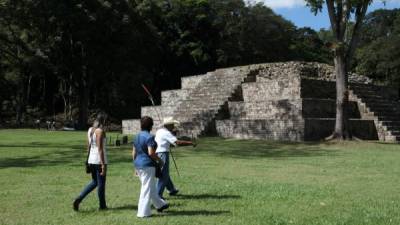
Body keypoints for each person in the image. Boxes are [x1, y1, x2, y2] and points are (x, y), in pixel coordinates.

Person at [133, 116, 169, 218]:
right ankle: (143, 213)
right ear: (151, 126)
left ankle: (160, 204)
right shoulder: (149, 137)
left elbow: (134, 153)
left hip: (139, 165)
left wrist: (135, 166)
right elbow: (151, 153)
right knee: (146, 188)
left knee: (150, 187)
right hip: (148, 166)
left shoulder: (136, 136)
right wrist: (160, 160)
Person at [73, 112, 108, 211]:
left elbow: (88, 147)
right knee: (101, 184)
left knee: (94, 182)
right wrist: (103, 164)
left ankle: (79, 198)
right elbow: (100, 149)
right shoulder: (100, 131)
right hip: (99, 160)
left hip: (91, 160)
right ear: (104, 121)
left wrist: (88, 161)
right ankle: (102, 206)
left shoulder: (90, 130)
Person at [155, 117, 196, 199]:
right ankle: (157, 195)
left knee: (165, 173)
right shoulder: (167, 133)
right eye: (172, 124)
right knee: (163, 175)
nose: (174, 126)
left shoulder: (159, 131)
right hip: (163, 154)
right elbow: (177, 143)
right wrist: (190, 143)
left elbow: (164, 142)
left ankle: (171, 189)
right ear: (168, 125)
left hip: (158, 153)